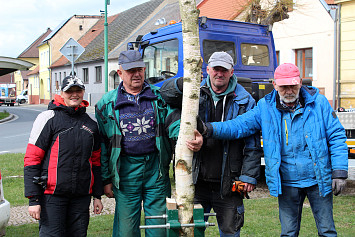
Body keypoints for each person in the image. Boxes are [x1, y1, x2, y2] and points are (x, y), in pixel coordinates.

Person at [199, 63, 348, 236]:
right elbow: (239, 125)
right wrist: (208, 129)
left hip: (318, 179)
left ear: (300, 82)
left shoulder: (319, 103)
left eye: (293, 85)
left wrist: (339, 172)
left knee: (327, 231)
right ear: (275, 84)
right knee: (288, 233)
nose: (289, 91)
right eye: (284, 86)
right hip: (287, 183)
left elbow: (336, 136)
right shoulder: (265, 107)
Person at [163, 51, 262, 237]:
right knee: (191, 231)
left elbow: (252, 143)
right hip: (197, 181)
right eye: (215, 69)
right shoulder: (194, 93)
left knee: (230, 232)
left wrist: (248, 175)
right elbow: (165, 94)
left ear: (232, 72)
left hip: (229, 182)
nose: (219, 74)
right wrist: (185, 81)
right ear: (207, 69)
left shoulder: (245, 100)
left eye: (224, 70)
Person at [95, 50, 189, 237]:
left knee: (159, 226)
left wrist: (185, 135)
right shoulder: (106, 104)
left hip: (156, 168)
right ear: (120, 73)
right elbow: (103, 145)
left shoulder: (159, 97)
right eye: (131, 71)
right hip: (125, 171)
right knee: (126, 229)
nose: (137, 74)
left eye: (140, 69)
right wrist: (106, 180)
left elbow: (174, 123)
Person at [24, 75, 103, 237]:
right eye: (70, 91)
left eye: (78, 90)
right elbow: (32, 159)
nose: (74, 94)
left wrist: (97, 195)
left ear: (83, 92)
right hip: (52, 196)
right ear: (61, 93)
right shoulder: (47, 119)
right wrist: (34, 200)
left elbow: (95, 163)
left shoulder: (91, 125)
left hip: (81, 196)